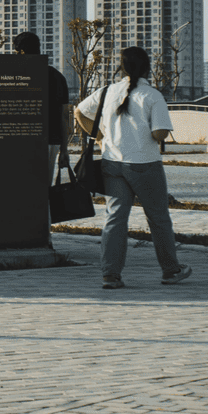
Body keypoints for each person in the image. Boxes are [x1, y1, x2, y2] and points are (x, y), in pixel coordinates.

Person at [75, 46, 191, 289]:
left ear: (122, 68)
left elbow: (79, 111)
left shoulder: (106, 92)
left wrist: (99, 137)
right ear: (147, 68)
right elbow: (159, 133)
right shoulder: (152, 95)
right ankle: (170, 270)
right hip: (145, 165)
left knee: (115, 218)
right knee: (158, 219)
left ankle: (110, 275)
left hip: (112, 163)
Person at [13, 31, 70, 183]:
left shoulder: (18, 76)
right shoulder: (58, 77)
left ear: (22, 51)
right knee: (44, 187)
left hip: (24, 141)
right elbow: (64, 116)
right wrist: (64, 149)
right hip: (51, 141)